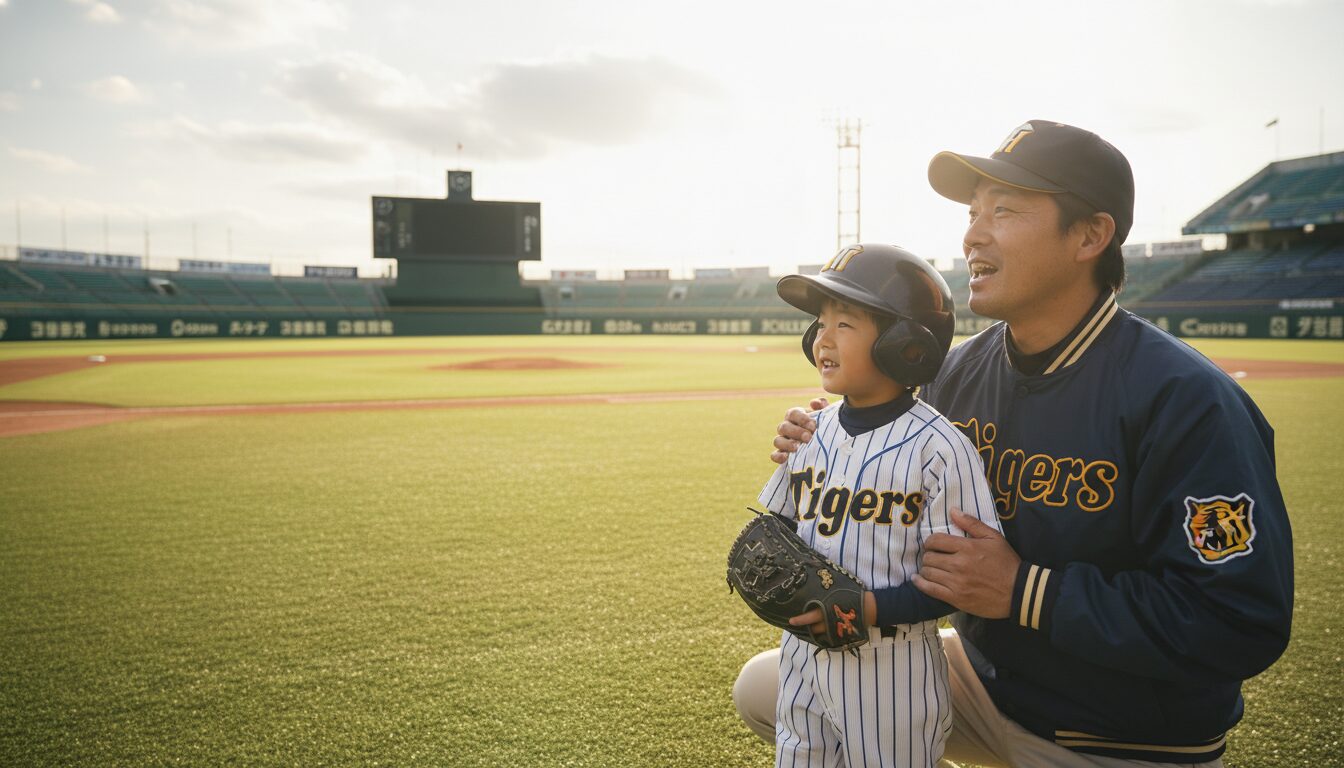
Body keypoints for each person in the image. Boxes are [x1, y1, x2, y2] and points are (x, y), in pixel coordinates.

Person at [737, 121, 1294, 767]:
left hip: (1117, 734)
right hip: (983, 684)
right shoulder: (952, 374)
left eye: (1004, 210)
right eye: (973, 213)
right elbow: (885, 466)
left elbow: (1238, 621)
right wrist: (823, 438)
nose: (973, 232)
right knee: (765, 685)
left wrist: (1025, 590)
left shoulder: (1186, 399)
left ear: (1090, 235)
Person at [753, 243, 1002, 767]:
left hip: (891, 667)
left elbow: (956, 583)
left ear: (906, 346)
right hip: (802, 653)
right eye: (820, 323)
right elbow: (775, 528)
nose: (822, 338)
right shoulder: (809, 431)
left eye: (845, 323)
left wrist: (868, 609)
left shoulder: (940, 448)